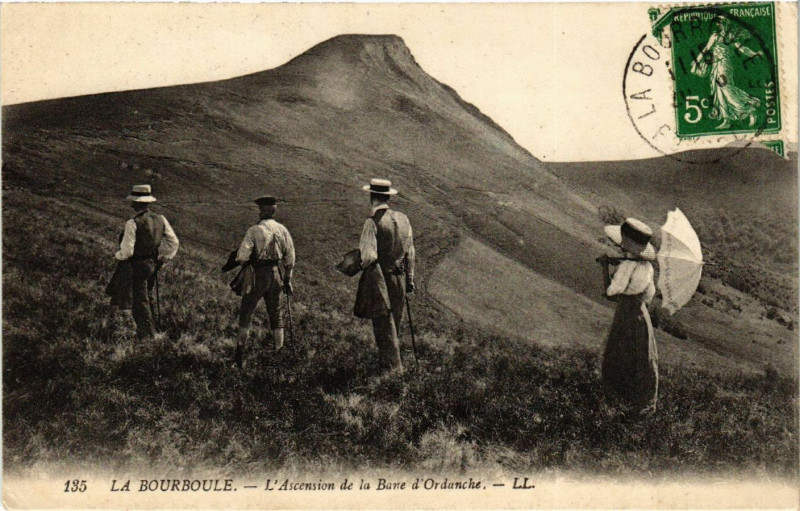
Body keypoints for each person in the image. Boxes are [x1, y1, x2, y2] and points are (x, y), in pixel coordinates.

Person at [597, 217, 658, 412]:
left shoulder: (626, 267)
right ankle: (640, 405)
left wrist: (605, 267)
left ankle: (617, 403)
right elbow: (648, 295)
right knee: (641, 357)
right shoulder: (647, 267)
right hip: (641, 315)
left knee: (618, 355)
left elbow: (610, 292)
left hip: (626, 315)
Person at [355, 178, 415, 373]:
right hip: (400, 279)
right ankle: (392, 372)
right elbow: (410, 252)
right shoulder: (404, 219)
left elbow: (369, 257)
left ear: (372, 197)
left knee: (383, 328)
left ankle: (390, 373)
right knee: (394, 326)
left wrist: (356, 263)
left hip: (381, 279)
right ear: (388, 197)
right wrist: (410, 280)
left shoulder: (371, 223)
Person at [107, 184, 179, 341]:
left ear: (136, 203)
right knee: (148, 295)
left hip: (136, 266)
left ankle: (147, 337)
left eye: (133, 201)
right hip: (152, 264)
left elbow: (127, 252)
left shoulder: (132, 223)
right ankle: (152, 329)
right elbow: (174, 242)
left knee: (140, 300)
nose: (131, 203)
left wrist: (117, 256)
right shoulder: (161, 219)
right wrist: (163, 259)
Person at [234, 195, 295, 364]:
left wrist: (248, 261)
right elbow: (290, 258)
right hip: (276, 274)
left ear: (261, 211)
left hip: (258, 274)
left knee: (246, 311)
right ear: (273, 211)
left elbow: (242, 257)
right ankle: (279, 354)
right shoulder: (283, 230)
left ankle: (240, 353)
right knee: (276, 313)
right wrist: (287, 280)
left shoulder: (254, 230)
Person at [692, 16, 763, 130]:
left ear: (724, 24)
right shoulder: (715, 36)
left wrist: (754, 54)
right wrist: (697, 61)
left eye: (720, 23)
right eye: (717, 23)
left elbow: (742, 49)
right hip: (716, 65)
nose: (718, 25)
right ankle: (727, 119)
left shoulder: (729, 37)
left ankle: (748, 107)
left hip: (724, 65)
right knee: (719, 92)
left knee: (725, 88)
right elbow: (706, 49)